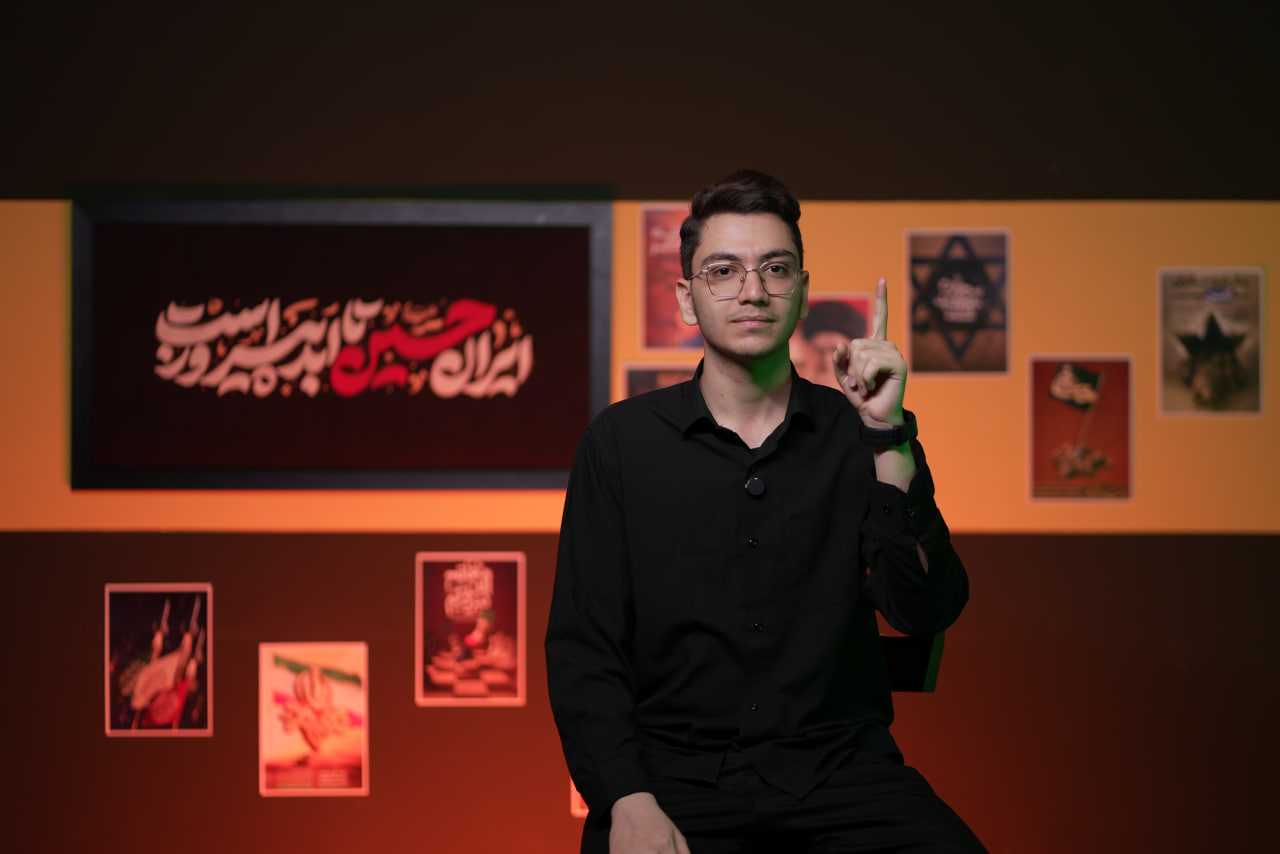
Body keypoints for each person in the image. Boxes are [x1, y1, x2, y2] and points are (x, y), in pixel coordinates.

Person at [546, 170, 983, 853]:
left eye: (775, 269)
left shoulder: (862, 433)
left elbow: (924, 610)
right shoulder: (620, 444)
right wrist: (625, 799)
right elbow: (583, 649)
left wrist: (888, 438)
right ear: (687, 299)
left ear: (802, 293)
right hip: (671, 781)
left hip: (839, 774)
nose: (753, 290)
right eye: (723, 271)